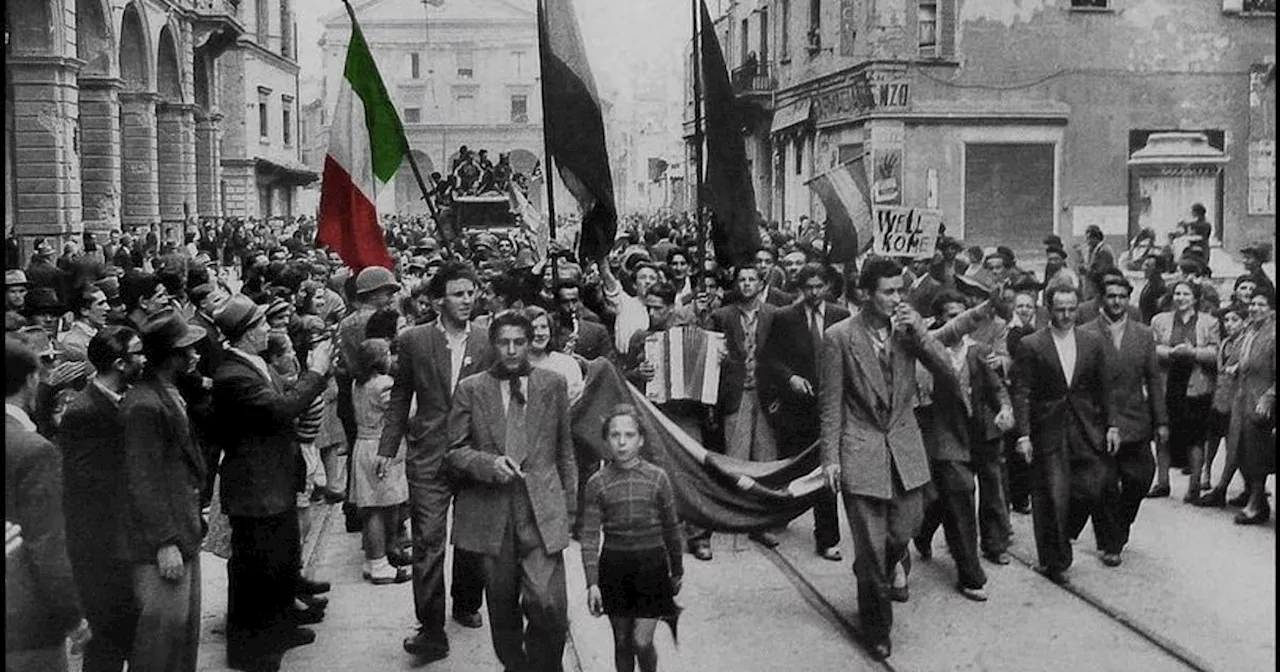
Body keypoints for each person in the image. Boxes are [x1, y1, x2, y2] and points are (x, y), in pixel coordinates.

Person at [818, 256, 956, 661]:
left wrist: (921, 335)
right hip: (859, 448)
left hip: (904, 446)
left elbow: (945, 370)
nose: (898, 298)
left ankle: (872, 570)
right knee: (873, 546)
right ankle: (878, 629)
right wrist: (830, 459)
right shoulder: (839, 337)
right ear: (865, 294)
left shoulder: (908, 331)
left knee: (904, 529)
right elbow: (830, 404)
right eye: (889, 292)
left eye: (901, 291)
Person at [445, 309, 577, 672]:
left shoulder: (552, 384)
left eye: (520, 342)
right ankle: (515, 666)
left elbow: (565, 449)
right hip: (492, 514)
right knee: (502, 606)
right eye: (504, 343)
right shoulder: (472, 389)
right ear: (493, 345)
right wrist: (489, 464)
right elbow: (453, 450)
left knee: (547, 603)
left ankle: (546, 666)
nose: (513, 350)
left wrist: (572, 508)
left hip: (541, 508)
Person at [376, 261, 491, 661]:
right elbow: (400, 396)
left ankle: (465, 601)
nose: (467, 300)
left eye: (471, 292)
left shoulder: (487, 340)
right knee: (428, 541)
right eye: (459, 294)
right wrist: (387, 449)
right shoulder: (413, 341)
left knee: (472, 538)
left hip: (474, 455)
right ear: (439, 299)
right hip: (428, 456)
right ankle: (431, 628)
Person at [212, 295, 333, 671]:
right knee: (256, 570)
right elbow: (282, 409)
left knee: (280, 561)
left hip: (272, 481)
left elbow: (285, 397)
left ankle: (279, 627)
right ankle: (251, 648)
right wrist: (316, 372)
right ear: (247, 333)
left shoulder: (254, 365)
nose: (270, 330)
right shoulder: (232, 375)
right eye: (263, 325)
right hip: (254, 488)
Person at [1011, 282, 1120, 585]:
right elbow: (1022, 392)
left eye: (1072, 309)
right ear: (1048, 308)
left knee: (1092, 486)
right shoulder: (1032, 344)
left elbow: (1104, 388)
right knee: (1052, 495)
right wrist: (1023, 434)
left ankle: (1064, 533)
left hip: (1087, 426)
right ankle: (1055, 560)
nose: (1067, 315)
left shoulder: (1093, 342)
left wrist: (1111, 425)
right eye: (1060, 309)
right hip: (1049, 427)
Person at [120, 310, 208, 672]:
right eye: (188, 350)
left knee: (182, 636)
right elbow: (142, 479)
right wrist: (164, 541)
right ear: (172, 356)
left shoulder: (167, 393)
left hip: (183, 527)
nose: (196, 355)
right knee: (159, 642)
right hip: (162, 541)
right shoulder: (143, 404)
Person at [57, 326, 145, 672]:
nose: (144, 359)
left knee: (127, 635)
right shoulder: (83, 412)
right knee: (106, 642)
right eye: (138, 353)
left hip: (122, 543)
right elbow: (86, 490)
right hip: (102, 552)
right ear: (121, 363)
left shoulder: (124, 398)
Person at [5, 335, 89, 672]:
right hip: (26, 623)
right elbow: (48, 545)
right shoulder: (34, 450)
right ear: (31, 380)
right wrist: (74, 616)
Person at [580, 405, 683, 672]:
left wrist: (677, 569)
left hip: (652, 568)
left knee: (641, 641)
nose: (622, 442)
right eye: (615, 435)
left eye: (629, 434)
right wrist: (592, 583)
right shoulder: (596, 483)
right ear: (606, 440)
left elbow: (672, 529)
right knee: (623, 641)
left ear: (641, 440)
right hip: (615, 569)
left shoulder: (658, 479)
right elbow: (590, 537)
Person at [760, 262, 848, 561]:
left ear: (827, 287)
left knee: (827, 471)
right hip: (796, 407)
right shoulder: (785, 317)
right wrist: (789, 378)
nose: (813, 292)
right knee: (792, 467)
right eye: (808, 287)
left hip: (830, 406)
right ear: (800, 288)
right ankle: (775, 518)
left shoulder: (841, 316)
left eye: (818, 287)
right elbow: (769, 358)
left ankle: (827, 538)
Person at [1082, 276, 1167, 567]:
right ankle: (1110, 543)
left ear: (1128, 298)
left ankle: (1121, 525)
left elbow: (1154, 380)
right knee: (1105, 484)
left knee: (1142, 476)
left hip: (1135, 420)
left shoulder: (1143, 335)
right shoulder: (1086, 333)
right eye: (1111, 296)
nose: (1116, 301)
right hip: (1099, 422)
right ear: (1102, 299)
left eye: (1122, 296)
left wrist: (1161, 422)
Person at [1148, 280, 1219, 500]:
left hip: (1196, 386)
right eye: (1177, 293)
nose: (1180, 298)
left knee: (1196, 437)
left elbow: (1216, 353)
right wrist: (1170, 353)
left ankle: (1195, 485)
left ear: (1195, 298)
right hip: (1168, 384)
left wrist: (1193, 352)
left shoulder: (1209, 322)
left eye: (1186, 294)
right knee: (1163, 432)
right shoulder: (1159, 320)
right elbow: (1151, 347)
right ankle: (1162, 482)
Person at [350, 337, 411, 585]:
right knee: (377, 507)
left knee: (374, 505)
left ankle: (375, 559)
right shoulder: (384, 384)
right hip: (381, 447)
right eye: (387, 354)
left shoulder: (359, 382)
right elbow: (402, 412)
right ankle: (379, 564)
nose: (391, 358)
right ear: (378, 360)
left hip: (363, 445)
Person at [1227, 290, 1276, 525]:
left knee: (1259, 455)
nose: (1255, 308)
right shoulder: (1250, 331)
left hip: (1262, 403)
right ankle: (1257, 500)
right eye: (1253, 304)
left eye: (1261, 304)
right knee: (1244, 451)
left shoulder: (1273, 334)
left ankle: (1257, 503)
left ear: (1272, 309)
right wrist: (1237, 367)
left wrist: (1270, 396)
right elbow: (1247, 360)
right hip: (1243, 399)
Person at [1197, 304, 1250, 508]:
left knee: (1234, 446)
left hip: (1238, 400)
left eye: (1234, 320)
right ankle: (1207, 472)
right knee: (1212, 438)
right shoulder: (1226, 343)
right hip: (1220, 399)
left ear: (1244, 322)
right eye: (1226, 320)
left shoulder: (1246, 343)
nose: (1229, 324)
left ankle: (1226, 487)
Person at [57, 284, 110, 361]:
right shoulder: (73, 343)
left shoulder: (106, 332)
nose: (108, 308)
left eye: (106, 302)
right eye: (101, 304)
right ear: (84, 311)